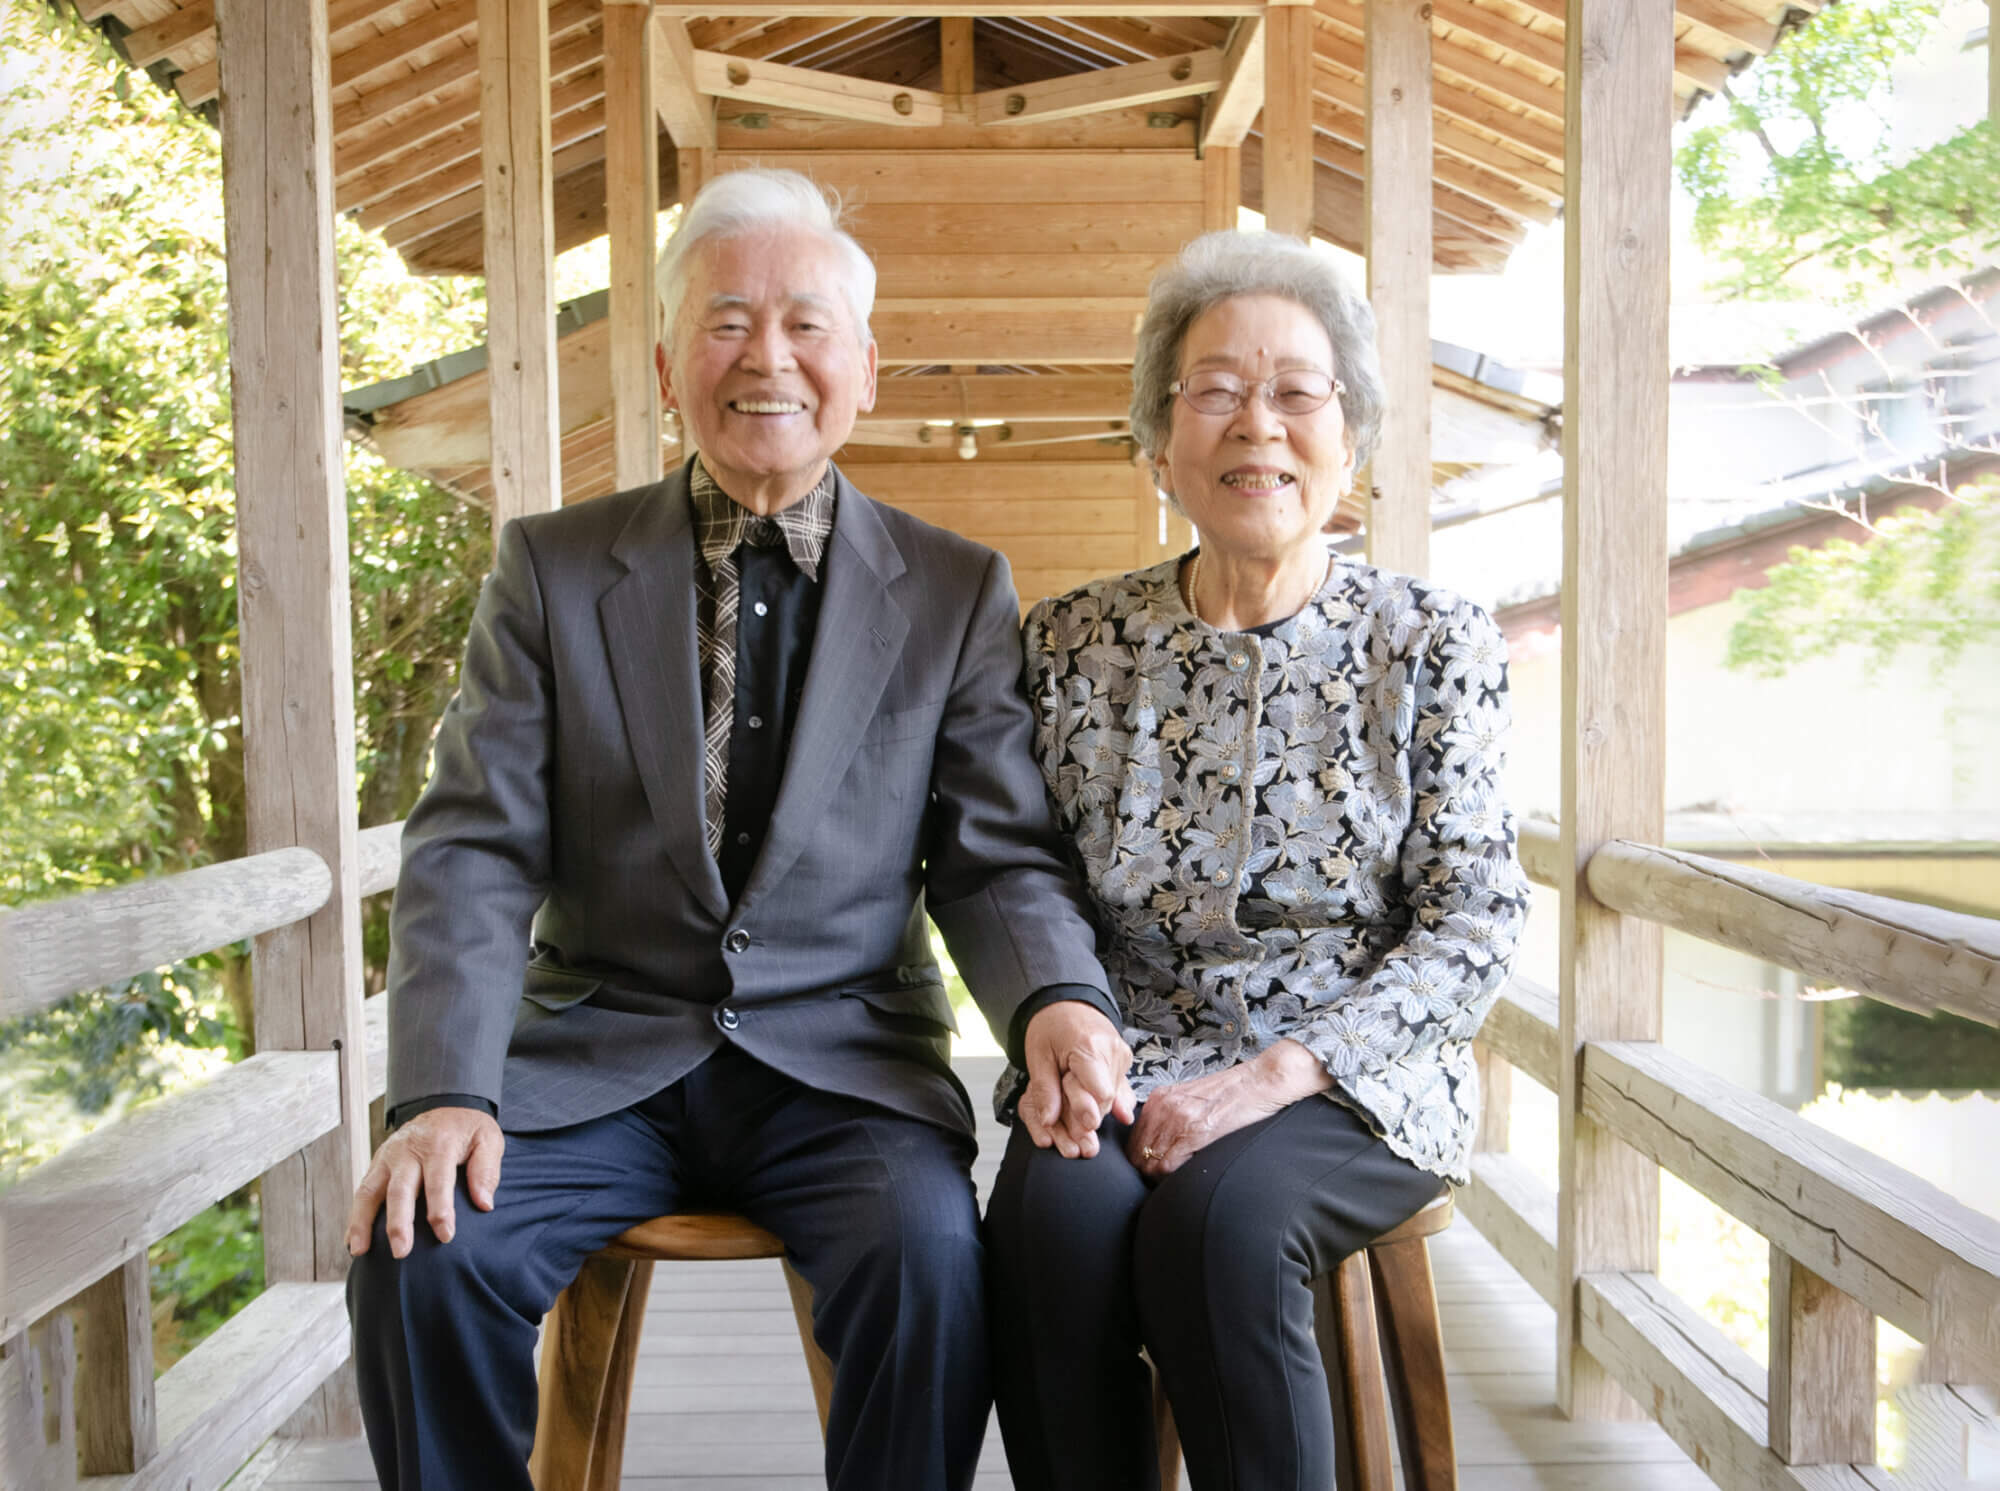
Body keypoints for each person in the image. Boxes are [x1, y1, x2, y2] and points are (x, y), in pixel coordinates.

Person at [342, 168, 1134, 1491]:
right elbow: (473, 847)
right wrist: (441, 1091)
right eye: (726, 321)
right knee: (422, 1245)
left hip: (844, 1068)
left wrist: (1057, 997)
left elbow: (991, 855)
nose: (767, 355)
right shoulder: (552, 570)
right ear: (667, 365)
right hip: (596, 1057)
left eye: (806, 323)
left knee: (934, 1266)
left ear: (864, 369)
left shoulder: (951, 589)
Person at [984, 229, 1531, 1491]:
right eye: (1215, 391)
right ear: (1158, 438)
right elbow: (1023, 874)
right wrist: (1058, 1022)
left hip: (1353, 1072)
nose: (1257, 428)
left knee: (1218, 1231)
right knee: (1044, 1232)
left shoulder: (1428, 642)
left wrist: (1279, 1074)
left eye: (1295, 392)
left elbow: (1472, 922)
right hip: (1129, 1056)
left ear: (1351, 436)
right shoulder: (1072, 641)